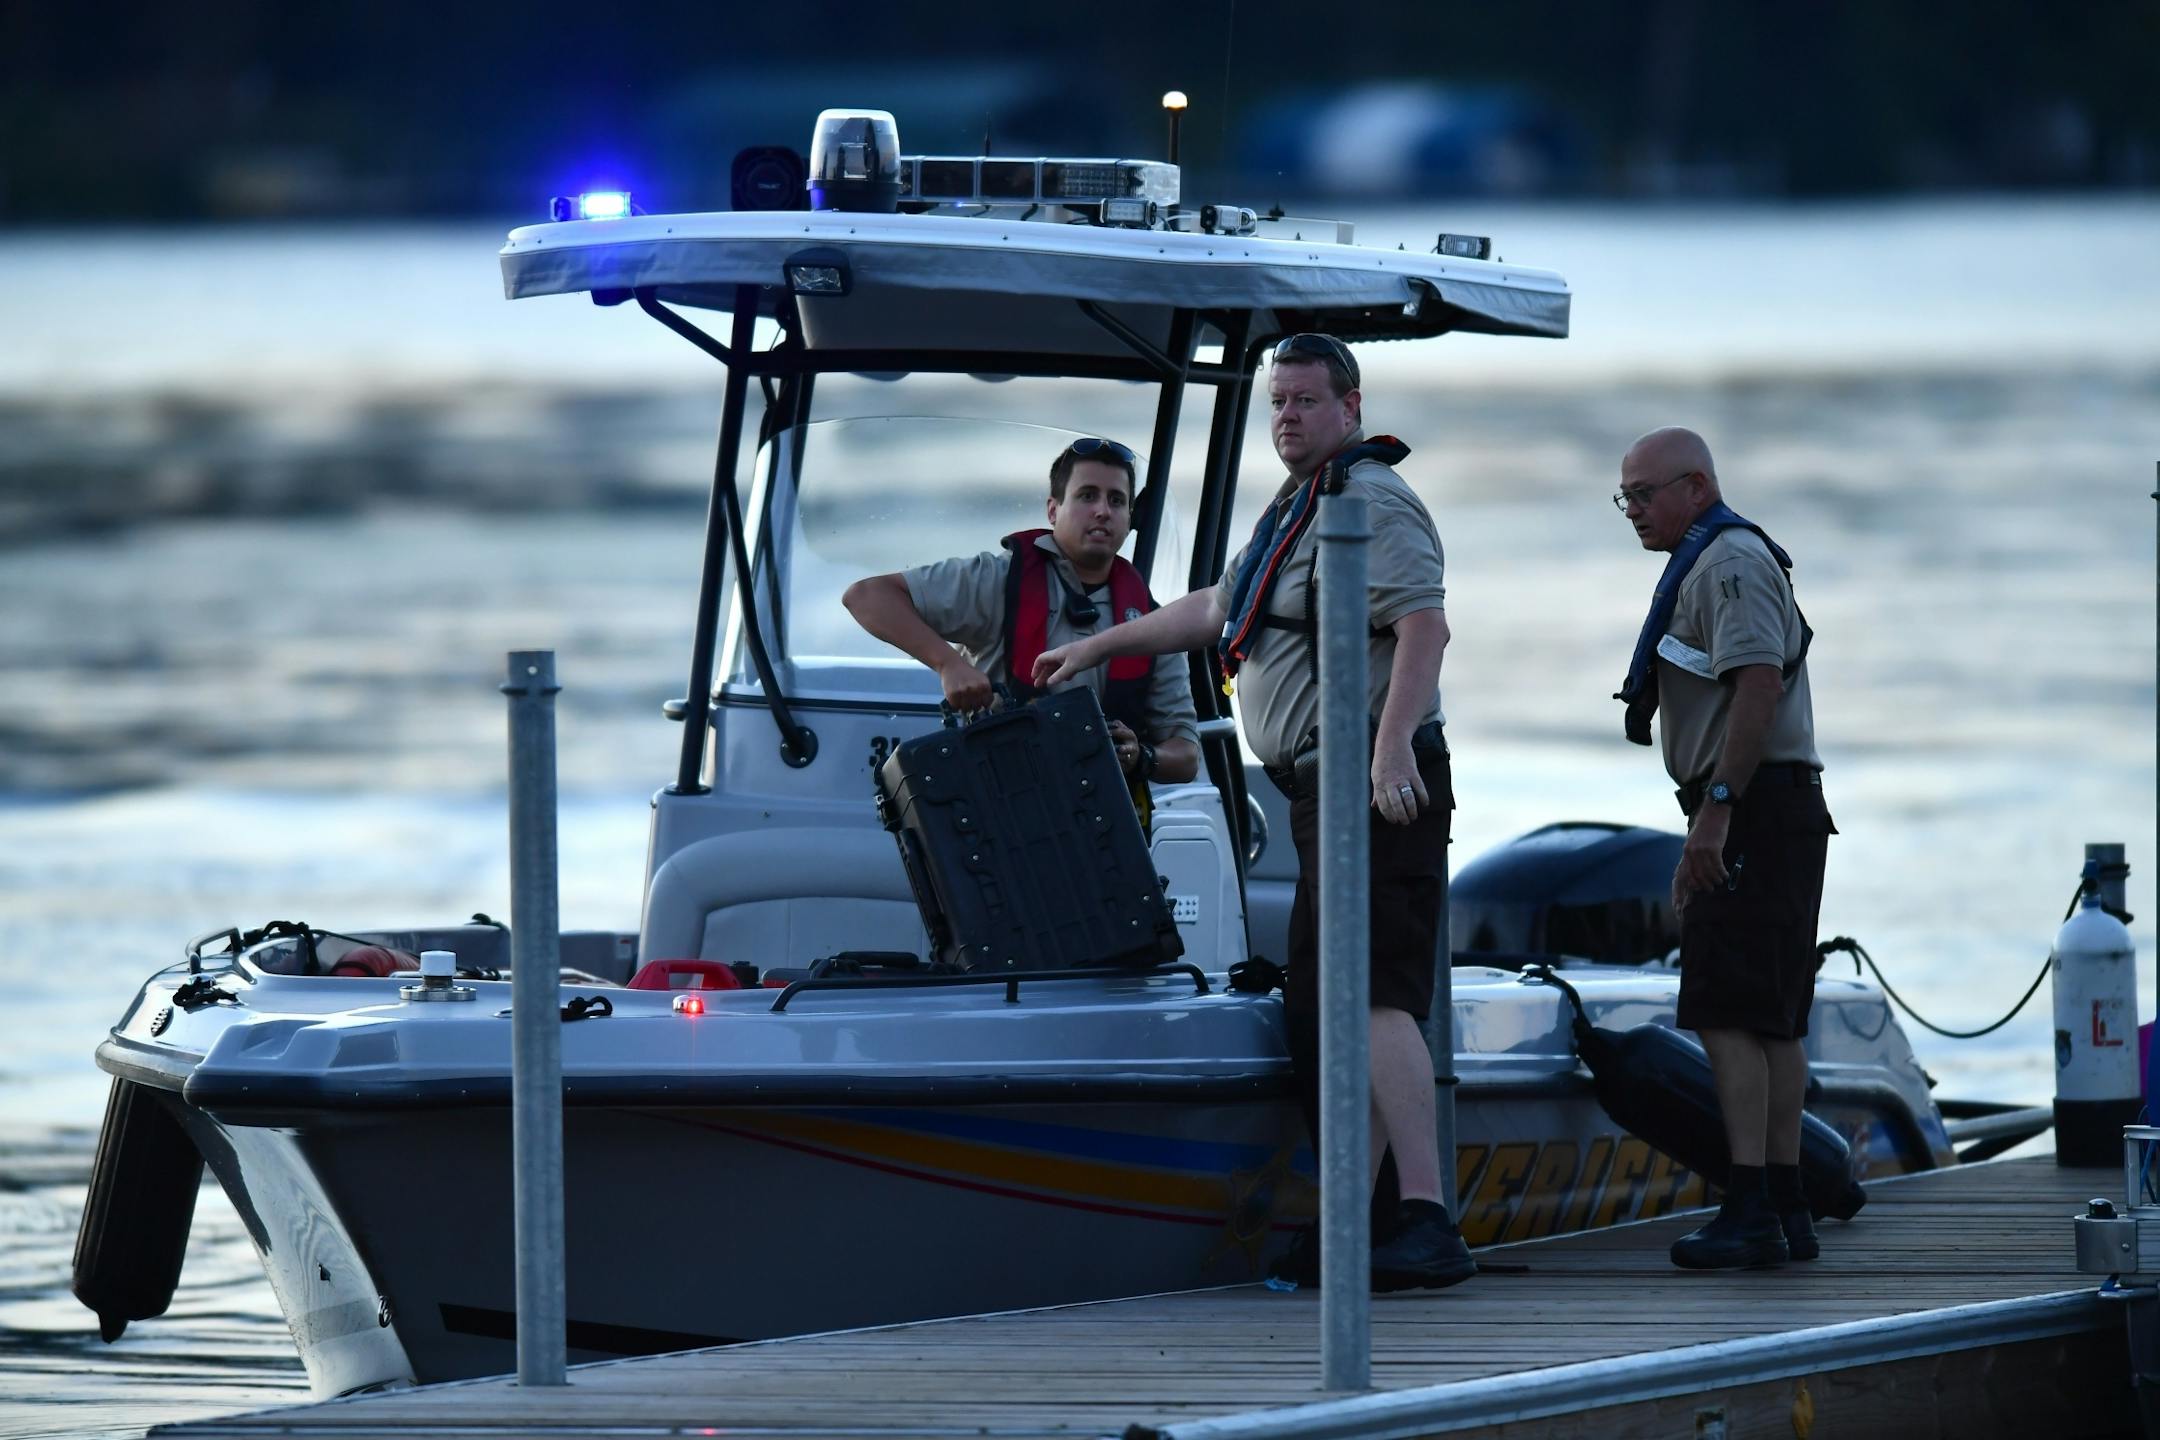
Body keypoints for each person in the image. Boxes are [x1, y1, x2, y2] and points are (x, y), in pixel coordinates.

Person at [1033, 333, 1472, 1292]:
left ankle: (1429, 1219)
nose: (1286, 417)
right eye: (1277, 401)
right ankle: (1363, 1216)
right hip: (1322, 793)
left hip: (1373, 785)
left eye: (1306, 402)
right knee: (1324, 1006)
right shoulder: (1296, 508)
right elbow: (1218, 609)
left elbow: (1424, 628)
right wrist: (1100, 647)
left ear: (1350, 407)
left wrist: (1391, 749)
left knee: (1376, 993)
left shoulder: (1370, 500)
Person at [1613, 425, 1833, 1270]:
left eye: (1643, 493)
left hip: (1751, 806)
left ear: (1696, 487)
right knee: (1769, 1013)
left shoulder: (1728, 562)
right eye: (1624, 496)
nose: (1632, 510)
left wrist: (1715, 811)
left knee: (1727, 1011)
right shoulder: (1718, 558)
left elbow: (1758, 684)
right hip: (1775, 808)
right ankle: (1783, 1201)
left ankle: (1749, 1207)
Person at [842, 437, 1199, 801]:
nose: (1102, 511)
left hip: (1106, 827)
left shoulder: (1153, 624)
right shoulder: (998, 581)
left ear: (1128, 518)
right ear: (1053, 510)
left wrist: (1142, 756)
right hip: (1003, 812)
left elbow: (1186, 756)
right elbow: (867, 596)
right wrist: (948, 664)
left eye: (1116, 500)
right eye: (1087, 496)